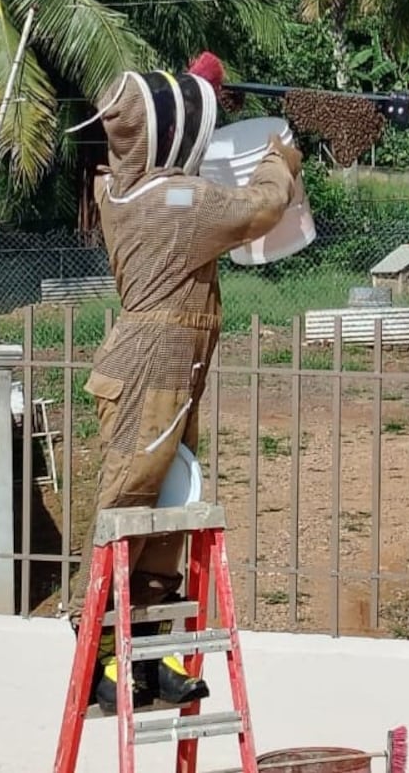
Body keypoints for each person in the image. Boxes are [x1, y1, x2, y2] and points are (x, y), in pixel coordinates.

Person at [65, 59, 303, 713]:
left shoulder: (131, 189)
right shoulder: (176, 205)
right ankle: (98, 659)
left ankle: (151, 655)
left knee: (168, 507)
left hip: (171, 364)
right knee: (128, 505)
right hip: (153, 365)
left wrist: (200, 84)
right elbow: (262, 206)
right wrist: (279, 157)